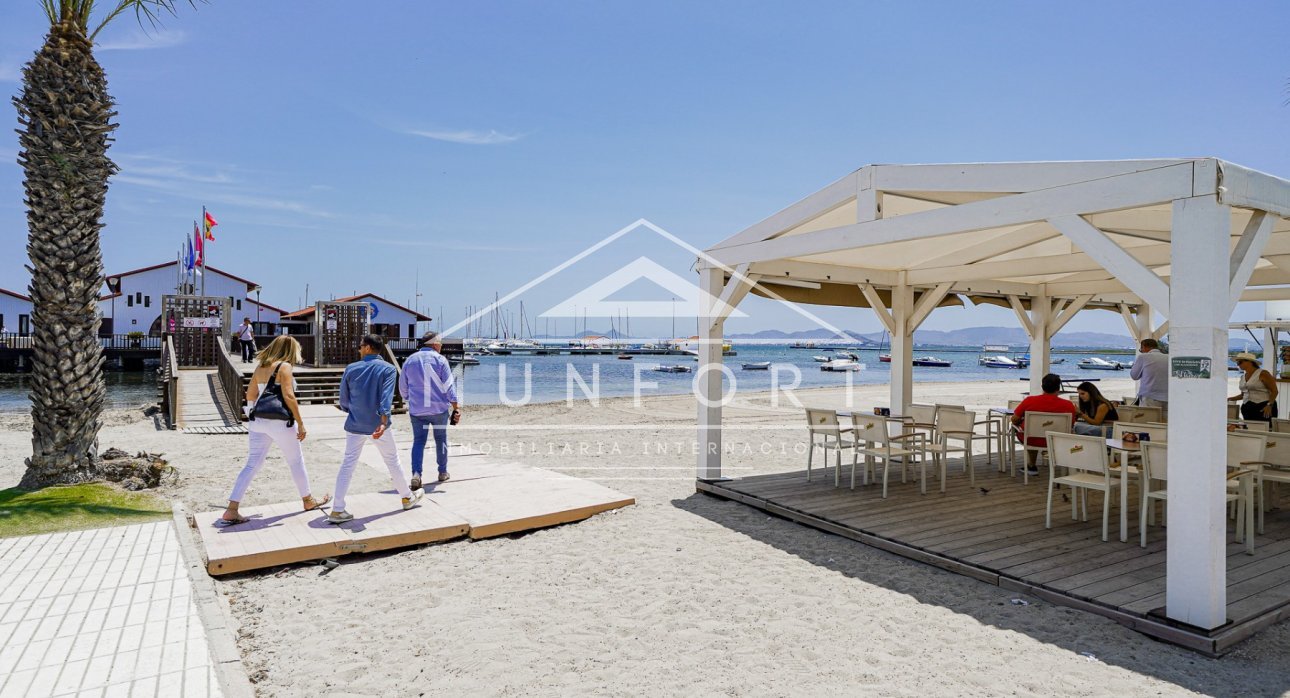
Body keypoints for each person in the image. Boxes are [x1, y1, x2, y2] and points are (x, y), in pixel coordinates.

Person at [219, 335, 329, 525]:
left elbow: (250, 394)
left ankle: (232, 509)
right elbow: (289, 396)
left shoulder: (261, 366)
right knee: (296, 461)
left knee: (252, 464)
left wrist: (254, 414)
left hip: (258, 422)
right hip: (280, 422)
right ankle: (308, 500)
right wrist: (300, 422)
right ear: (290, 350)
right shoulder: (284, 367)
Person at [328, 334, 420, 524]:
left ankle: (337, 509)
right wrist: (383, 421)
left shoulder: (351, 368)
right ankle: (406, 497)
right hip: (378, 425)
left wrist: (353, 411)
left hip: (355, 424)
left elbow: (343, 399)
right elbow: (386, 397)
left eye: (360, 346)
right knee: (392, 461)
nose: (359, 349)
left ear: (368, 347)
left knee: (348, 464)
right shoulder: (388, 369)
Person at [399, 331, 460, 490]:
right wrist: (456, 407)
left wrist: (409, 398)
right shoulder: (440, 360)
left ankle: (416, 474)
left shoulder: (410, 360)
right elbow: (449, 387)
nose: (441, 345)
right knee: (441, 439)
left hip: (417, 409)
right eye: (440, 343)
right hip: (439, 409)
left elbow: (402, 387)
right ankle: (442, 472)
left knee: (419, 441)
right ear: (434, 344)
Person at [1011, 373, 1079, 475]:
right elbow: (1070, 425)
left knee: (1030, 431)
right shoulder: (1068, 405)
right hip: (1056, 440)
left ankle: (1031, 466)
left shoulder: (1030, 401)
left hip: (1032, 440)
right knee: (1039, 431)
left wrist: (1021, 421)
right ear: (1058, 388)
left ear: (1042, 387)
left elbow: (1014, 419)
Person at [1231, 351, 1279, 423]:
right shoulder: (1243, 377)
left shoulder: (1263, 373)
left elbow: (1274, 391)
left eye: (1240, 362)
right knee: (1249, 428)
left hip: (1264, 407)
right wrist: (1229, 399)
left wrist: (1269, 405)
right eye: (1237, 363)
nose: (1238, 364)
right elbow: (1243, 395)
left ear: (1249, 362)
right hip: (1247, 408)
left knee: (1266, 428)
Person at [1129, 338, 1168, 418]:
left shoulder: (1143, 357)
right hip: (1167, 397)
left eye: (1141, 349)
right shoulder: (1168, 357)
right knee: (1164, 423)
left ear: (1144, 347)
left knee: (1147, 422)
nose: (1142, 351)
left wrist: (1134, 366)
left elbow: (1134, 376)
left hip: (1150, 397)